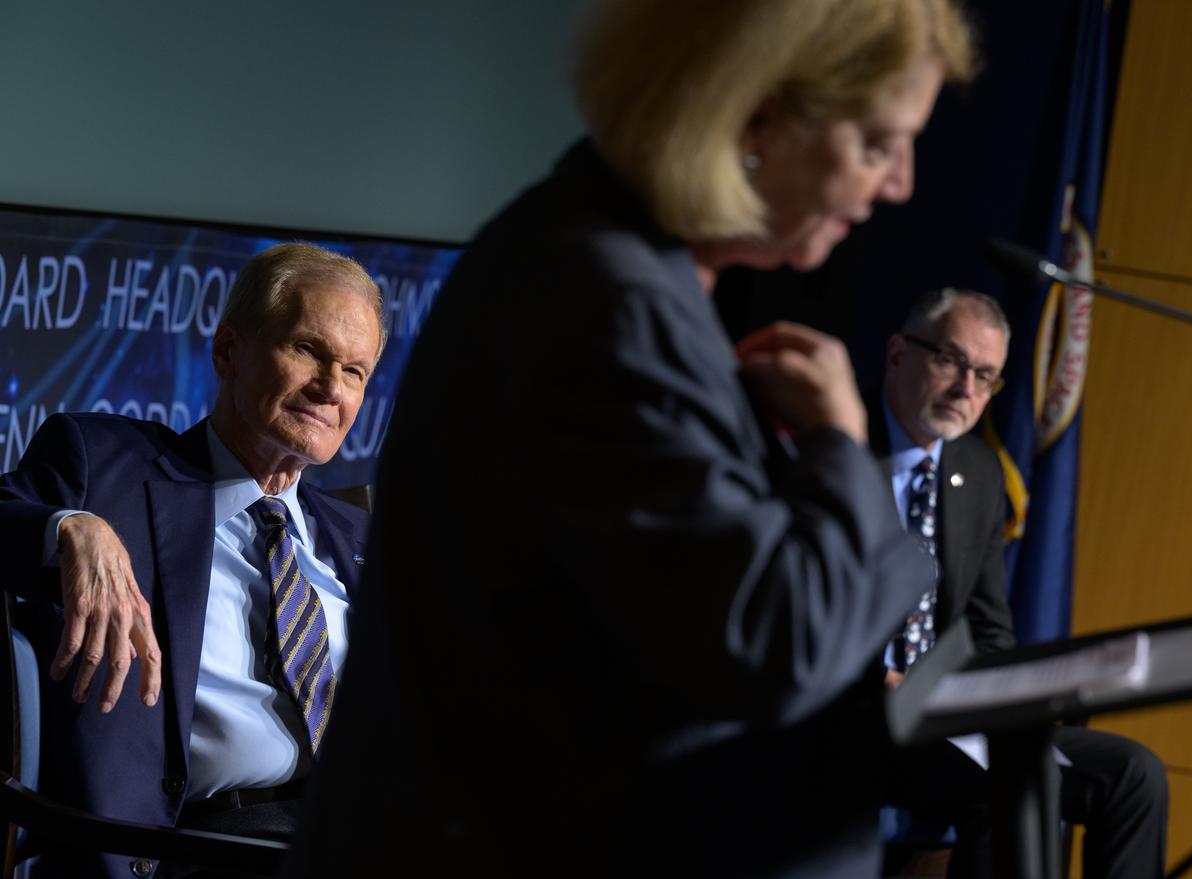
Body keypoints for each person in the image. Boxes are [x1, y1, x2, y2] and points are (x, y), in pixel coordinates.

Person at [292, 1, 980, 877]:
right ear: (754, 109)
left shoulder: (616, 268)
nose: (901, 184)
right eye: (878, 144)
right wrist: (842, 448)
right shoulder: (609, 305)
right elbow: (774, 641)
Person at [0, 242, 384, 879]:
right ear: (228, 350)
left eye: (355, 372)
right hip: (193, 849)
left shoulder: (361, 534)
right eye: (308, 350)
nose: (329, 389)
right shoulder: (105, 468)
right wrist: (70, 524)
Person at [872, 287, 1169, 877]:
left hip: (947, 716)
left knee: (1133, 774)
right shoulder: (836, 448)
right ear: (899, 354)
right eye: (952, 362)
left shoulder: (977, 471)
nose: (967, 390)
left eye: (986, 377)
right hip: (858, 712)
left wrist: (1010, 699)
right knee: (1004, 785)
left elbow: (987, 623)